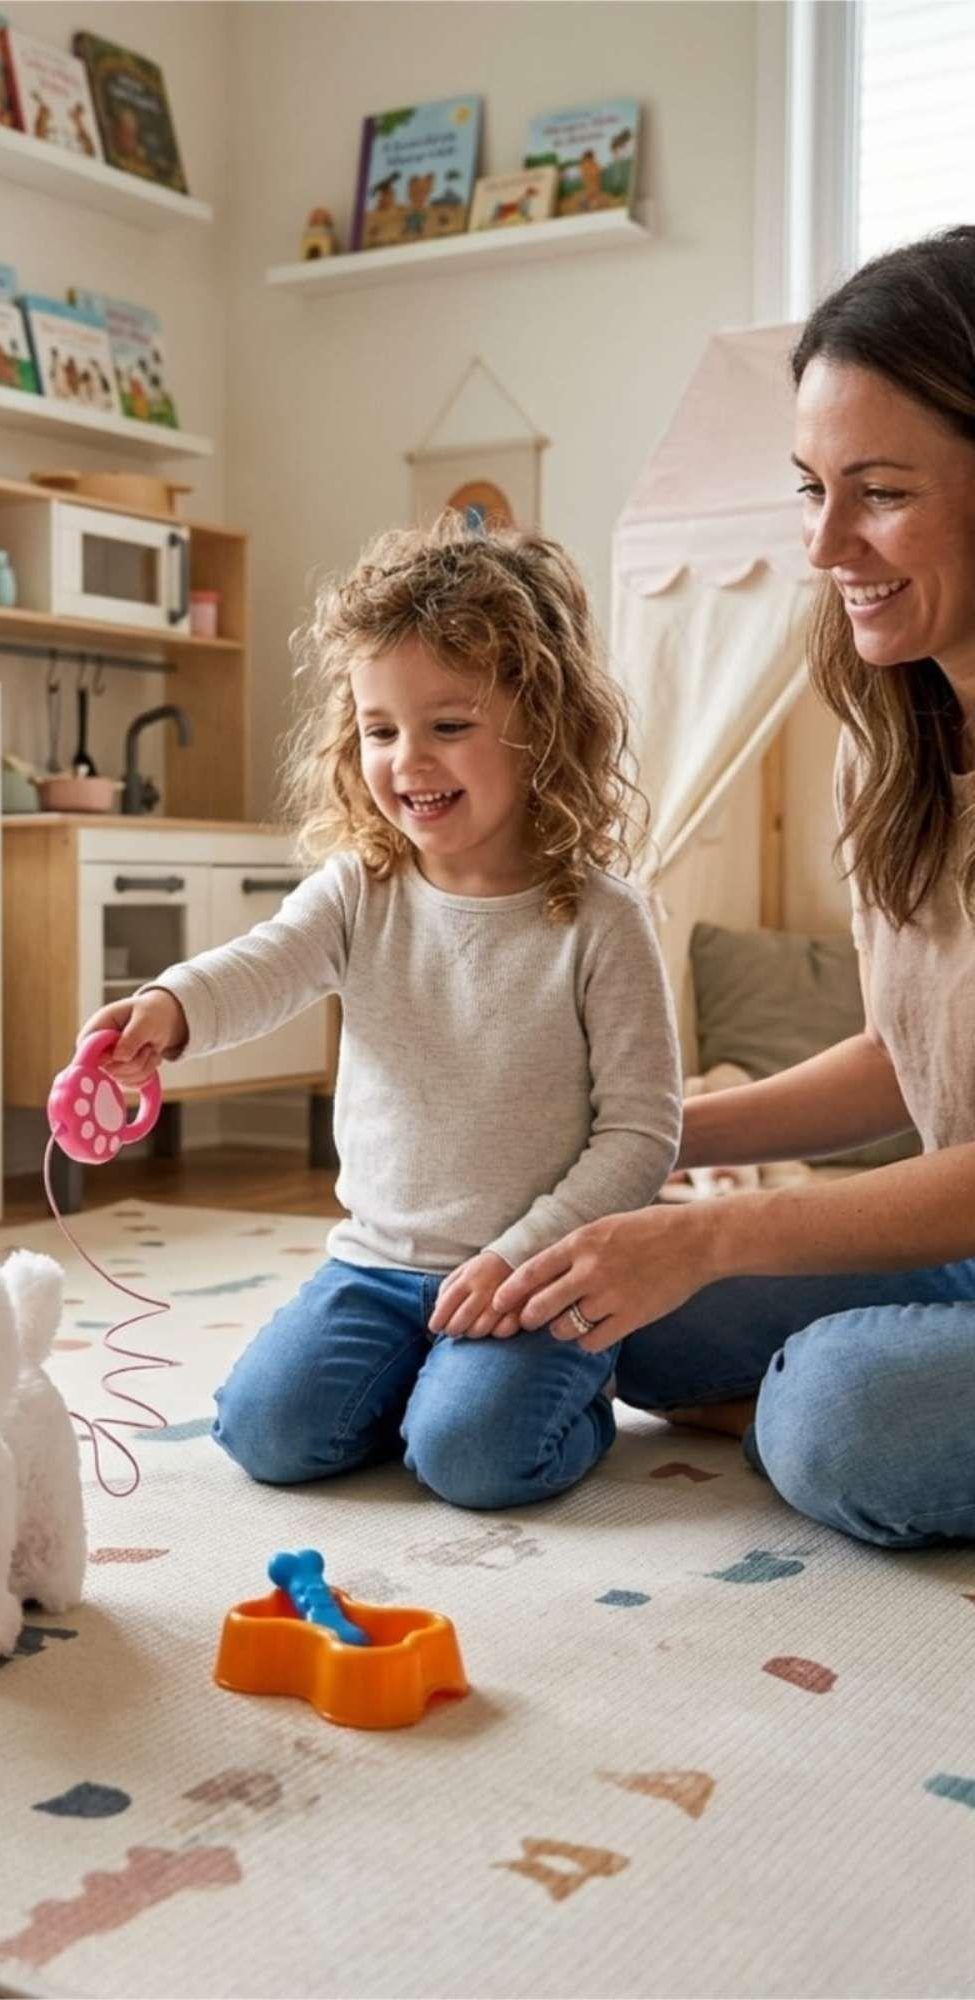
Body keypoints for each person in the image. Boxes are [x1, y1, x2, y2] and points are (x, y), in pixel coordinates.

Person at [494, 226, 975, 1550]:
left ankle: (797, 1413)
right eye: (810, 487)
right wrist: (643, 1142)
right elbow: (904, 1059)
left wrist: (720, 1236)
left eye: (879, 492)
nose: (824, 543)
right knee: (618, 1314)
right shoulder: (896, 741)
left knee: (838, 1414)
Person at [76, 514, 682, 1509]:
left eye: (449, 726)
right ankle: (429, 1386)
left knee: (472, 1458)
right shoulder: (360, 889)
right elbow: (264, 965)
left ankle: (577, 1393)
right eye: (380, 729)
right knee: (264, 1432)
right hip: (375, 1268)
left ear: (542, 724)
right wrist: (168, 1006)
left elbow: (642, 1134)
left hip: (531, 1275)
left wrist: (518, 1254)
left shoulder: (603, 919)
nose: (408, 760)